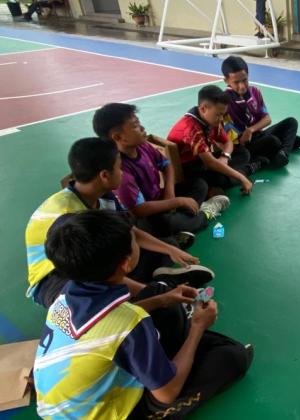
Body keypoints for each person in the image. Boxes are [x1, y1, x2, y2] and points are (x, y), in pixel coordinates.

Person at [34, 210, 253, 419]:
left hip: (66, 404)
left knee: (158, 292)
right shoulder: (129, 325)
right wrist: (198, 328)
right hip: (106, 414)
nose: (137, 240)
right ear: (126, 262)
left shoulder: (66, 295)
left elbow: (108, 326)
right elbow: (167, 393)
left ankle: (175, 353)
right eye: (134, 240)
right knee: (232, 357)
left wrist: (164, 299)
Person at [25, 138, 212, 308]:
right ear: (104, 175)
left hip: (91, 263)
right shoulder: (70, 217)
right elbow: (94, 272)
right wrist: (156, 295)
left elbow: (130, 230)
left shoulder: (103, 196)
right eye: (119, 168)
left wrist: (170, 250)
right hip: (57, 281)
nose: (122, 173)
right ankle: (157, 289)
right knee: (112, 303)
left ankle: (160, 283)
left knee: (164, 245)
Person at [93, 103, 230, 240]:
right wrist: (177, 202)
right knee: (164, 222)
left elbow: (166, 165)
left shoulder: (143, 146)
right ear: (118, 137)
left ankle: (181, 225)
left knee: (199, 185)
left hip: (160, 198)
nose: (142, 128)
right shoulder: (119, 168)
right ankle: (204, 215)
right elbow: (139, 210)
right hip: (145, 216)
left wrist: (170, 193)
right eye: (135, 125)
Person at [167, 85, 260, 196]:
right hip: (189, 168)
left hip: (204, 160)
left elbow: (228, 142)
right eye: (218, 115)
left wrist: (224, 157)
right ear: (203, 109)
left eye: (223, 115)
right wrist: (241, 178)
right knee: (217, 179)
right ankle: (245, 171)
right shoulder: (191, 129)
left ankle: (231, 176)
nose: (221, 119)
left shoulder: (211, 119)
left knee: (242, 152)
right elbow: (210, 163)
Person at [221, 56, 300, 168]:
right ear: (226, 80)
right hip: (243, 145)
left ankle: (283, 152)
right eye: (236, 82)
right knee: (274, 141)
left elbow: (267, 119)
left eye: (244, 80)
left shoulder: (255, 91)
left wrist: (250, 130)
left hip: (258, 135)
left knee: (291, 122)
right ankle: (285, 145)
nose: (242, 86)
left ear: (248, 75)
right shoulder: (224, 101)